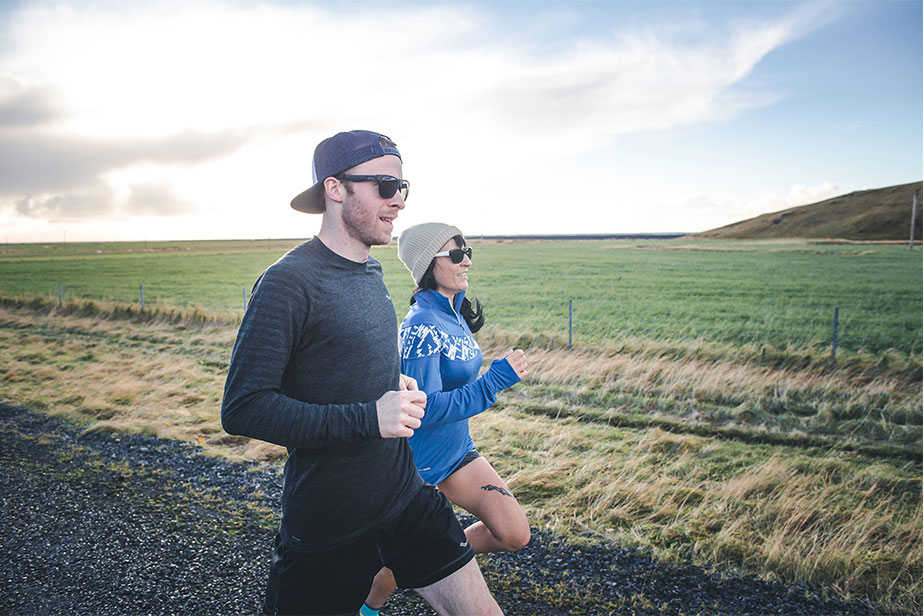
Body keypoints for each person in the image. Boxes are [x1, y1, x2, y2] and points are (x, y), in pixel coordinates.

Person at [221, 131, 503, 616]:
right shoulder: (289, 282)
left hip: (404, 497)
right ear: (336, 189)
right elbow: (243, 408)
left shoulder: (371, 273)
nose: (398, 203)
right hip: (331, 520)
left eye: (403, 187)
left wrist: (392, 382)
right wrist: (368, 417)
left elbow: (342, 366)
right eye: (384, 187)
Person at [361, 222, 530, 616]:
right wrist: (493, 383)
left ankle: (414, 565)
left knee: (514, 534)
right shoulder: (421, 326)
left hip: (459, 454)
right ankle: (372, 601)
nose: (466, 259)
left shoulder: (453, 316)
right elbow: (426, 408)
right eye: (455, 254)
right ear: (427, 264)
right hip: (421, 470)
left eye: (466, 250)